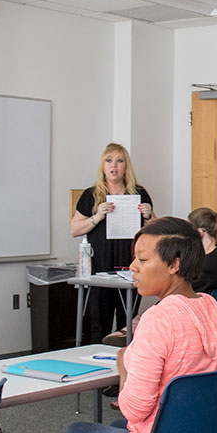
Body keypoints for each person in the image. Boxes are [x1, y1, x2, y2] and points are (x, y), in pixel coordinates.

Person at [53, 217, 217, 433]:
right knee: (115, 429)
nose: (132, 266)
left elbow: (134, 410)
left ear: (174, 264)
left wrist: (124, 366)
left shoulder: (158, 320)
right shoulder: (211, 307)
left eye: (143, 259)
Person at [70, 143, 155, 340]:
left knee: (128, 323)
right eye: (109, 161)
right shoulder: (91, 195)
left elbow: (155, 232)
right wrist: (97, 216)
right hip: (100, 268)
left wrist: (149, 215)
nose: (113, 166)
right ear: (103, 166)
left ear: (126, 166)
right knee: (100, 322)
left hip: (131, 266)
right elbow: (74, 229)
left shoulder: (138, 193)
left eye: (119, 161)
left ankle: (127, 363)